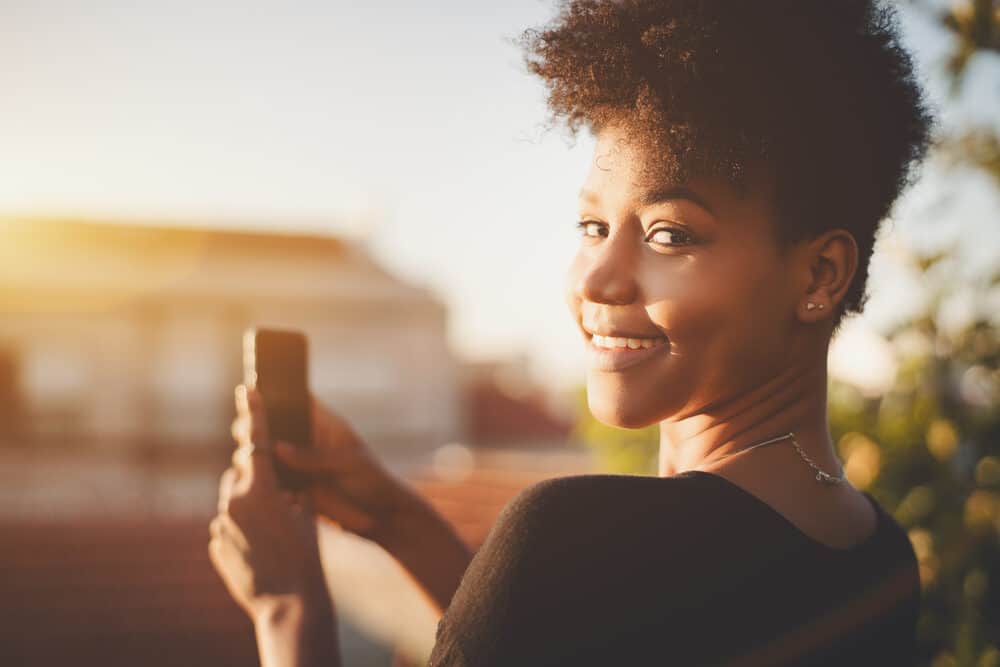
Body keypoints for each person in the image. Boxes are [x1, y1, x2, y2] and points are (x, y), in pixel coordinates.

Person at [209, 0, 933, 664]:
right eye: (593, 226)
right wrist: (396, 518)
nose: (595, 279)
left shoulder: (567, 544)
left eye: (669, 233)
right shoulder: (882, 558)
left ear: (819, 276)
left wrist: (287, 607)